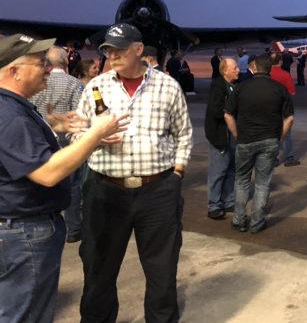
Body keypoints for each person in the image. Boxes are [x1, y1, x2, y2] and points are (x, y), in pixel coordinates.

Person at [0, 34, 125, 323]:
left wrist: (53, 125)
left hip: (18, 229)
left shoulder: (15, 108)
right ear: (13, 71)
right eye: (40, 62)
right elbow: (48, 173)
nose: (48, 68)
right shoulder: (10, 116)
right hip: (23, 233)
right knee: (26, 313)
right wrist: (95, 134)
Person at [75, 23, 193, 322]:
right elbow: (76, 134)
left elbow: (183, 133)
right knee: (98, 270)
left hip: (158, 191)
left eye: (118, 49)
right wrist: (93, 138)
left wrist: (177, 170)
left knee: (162, 272)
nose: (111, 55)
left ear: (138, 50)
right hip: (105, 191)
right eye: (107, 50)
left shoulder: (168, 86)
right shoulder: (95, 87)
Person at [224, 54, 294, 233]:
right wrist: (281, 138)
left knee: (241, 181)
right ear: (269, 68)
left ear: (254, 67)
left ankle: (239, 220)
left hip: (245, 140)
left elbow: (228, 115)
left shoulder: (241, 88)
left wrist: (236, 134)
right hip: (269, 140)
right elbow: (289, 118)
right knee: (263, 183)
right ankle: (257, 222)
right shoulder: (279, 89)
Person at [30, 46, 85, 243]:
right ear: (66, 62)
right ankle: (73, 229)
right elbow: (81, 115)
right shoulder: (74, 84)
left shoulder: (34, 84)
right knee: (73, 184)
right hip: (65, 138)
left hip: (36, 136)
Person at [204, 58, 240, 220]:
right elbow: (216, 110)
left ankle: (229, 201)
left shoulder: (234, 87)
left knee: (231, 170)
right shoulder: (218, 87)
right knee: (218, 171)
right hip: (220, 136)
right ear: (225, 71)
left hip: (232, 136)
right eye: (235, 68)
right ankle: (214, 205)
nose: (238, 70)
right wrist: (231, 114)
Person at [270, 52, 300, 166]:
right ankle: (289, 158)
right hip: (283, 109)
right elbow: (292, 92)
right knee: (286, 135)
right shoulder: (285, 74)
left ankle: (273, 159)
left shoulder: (267, 74)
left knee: (272, 135)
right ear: (280, 61)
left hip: (269, 110)